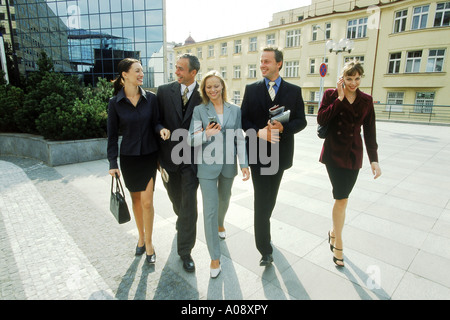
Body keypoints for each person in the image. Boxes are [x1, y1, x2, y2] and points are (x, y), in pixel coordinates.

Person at [241, 47, 307, 266]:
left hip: (280, 154)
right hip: (258, 153)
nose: (262, 65)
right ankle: (264, 249)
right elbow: (243, 120)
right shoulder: (251, 90)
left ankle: (264, 229)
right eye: (261, 61)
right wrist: (259, 132)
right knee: (261, 200)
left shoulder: (293, 91)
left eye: (267, 61)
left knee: (270, 200)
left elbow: (301, 121)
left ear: (279, 64)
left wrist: (283, 128)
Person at [317, 60, 381, 267]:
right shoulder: (330, 95)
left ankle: (334, 231)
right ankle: (339, 244)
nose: (353, 83)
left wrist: (374, 160)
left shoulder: (366, 100)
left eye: (357, 78)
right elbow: (321, 119)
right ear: (342, 78)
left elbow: (370, 131)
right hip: (334, 153)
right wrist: (340, 99)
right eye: (349, 78)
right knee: (341, 197)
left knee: (343, 198)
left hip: (354, 153)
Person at [107, 58, 170, 264]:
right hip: (128, 158)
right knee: (135, 200)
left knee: (148, 202)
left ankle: (150, 243)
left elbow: (156, 122)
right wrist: (112, 164)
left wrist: (161, 129)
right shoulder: (114, 103)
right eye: (137, 70)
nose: (141, 74)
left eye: (142, 70)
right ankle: (140, 237)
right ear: (125, 74)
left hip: (149, 156)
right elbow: (111, 136)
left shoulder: (151, 99)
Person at [188, 70, 250, 278]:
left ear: (222, 86)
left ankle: (221, 223)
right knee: (209, 210)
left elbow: (239, 138)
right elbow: (190, 139)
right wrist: (206, 134)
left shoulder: (235, 110)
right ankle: (215, 257)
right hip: (206, 167)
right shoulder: (199, 110)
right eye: (208, 87)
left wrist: (244, 164)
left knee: (225, 199)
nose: (213, 89)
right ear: (204, 90)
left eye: (216, 85)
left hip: (228, 165)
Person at [156, 53, 202, 272]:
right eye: (176, 68)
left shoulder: (205, 94)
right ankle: (181, 221)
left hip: (193, 162)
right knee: (177, 201)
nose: (177, 72)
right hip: (168, 159)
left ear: (193, 73)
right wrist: (160, 130)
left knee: (189, 205)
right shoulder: (164, 91)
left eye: (181, 69)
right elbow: (155, 121)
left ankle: (185, 252)